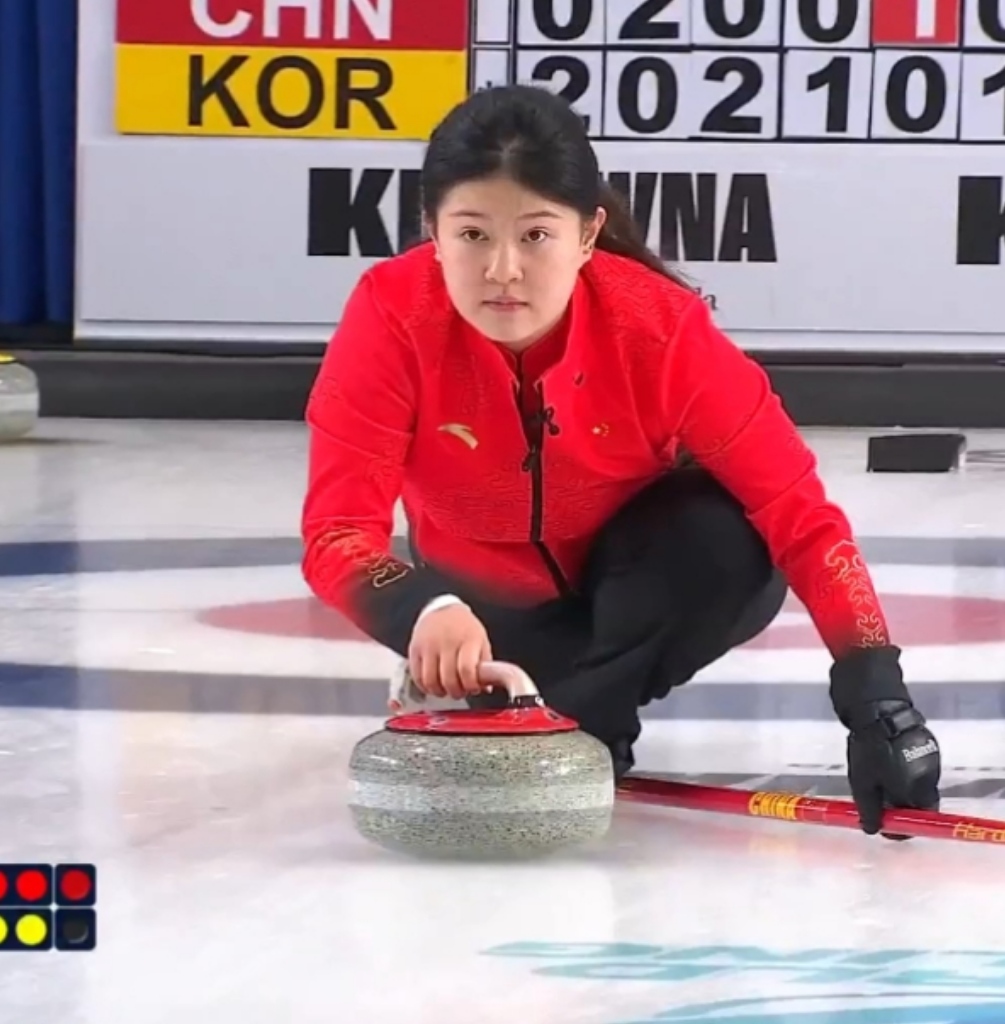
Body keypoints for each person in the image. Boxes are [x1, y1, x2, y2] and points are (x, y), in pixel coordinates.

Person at [299, 85, 940, 836]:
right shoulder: (390, 313)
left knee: (727, 538)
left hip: (634, 601)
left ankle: (589, 716)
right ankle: (535, 694)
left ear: (587, 234)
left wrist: (878, 699)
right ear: (430, 232)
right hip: (477, 613)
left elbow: (801, 518)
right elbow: (337, 534)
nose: (503, 269)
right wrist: (424, 610)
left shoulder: (660, 329)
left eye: (536, 236)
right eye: (472, 235)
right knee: (453, 613)